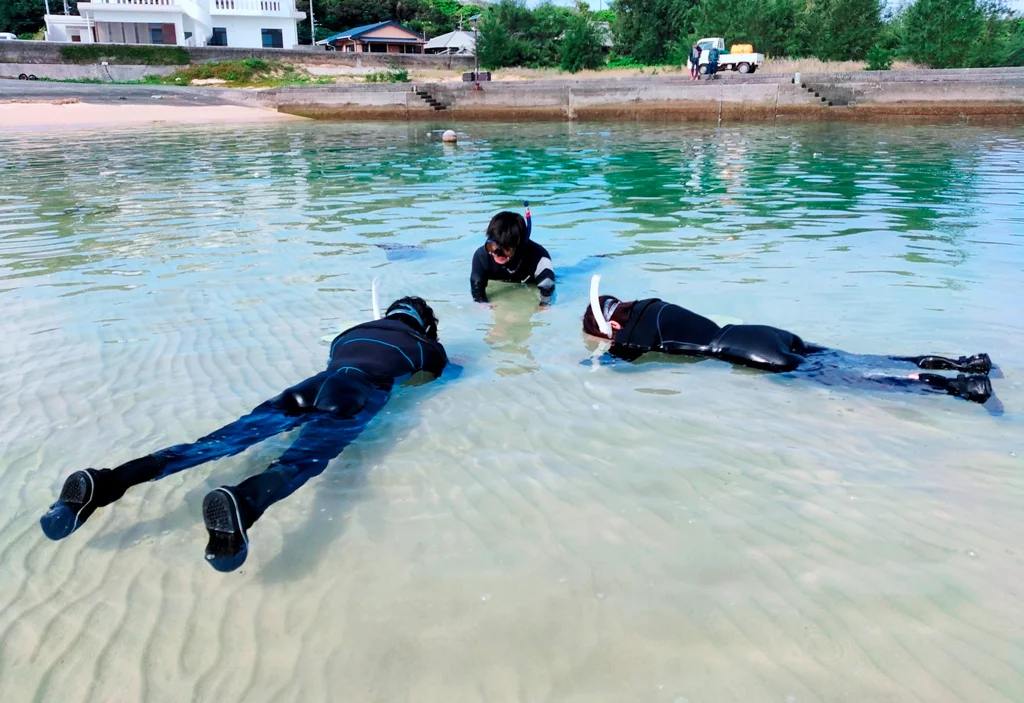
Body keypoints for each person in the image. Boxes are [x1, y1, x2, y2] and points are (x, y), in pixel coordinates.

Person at [40, 297, 453, 572]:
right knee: (301, 461)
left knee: (214, 443)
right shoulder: (424, 345)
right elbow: (433, 377)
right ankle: (242, 501)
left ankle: (106, 481)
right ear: (423, 324)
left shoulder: (349, 333)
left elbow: (338, 359)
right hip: (357, 393)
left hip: (307, 387)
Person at [581, 287, 995, 405]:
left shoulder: (629, 334)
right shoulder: (653, 303)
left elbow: (622, 359)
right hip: (766, 333)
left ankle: (955, 388)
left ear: (610, 325)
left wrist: (589, 362)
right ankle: (964, 363)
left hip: (751, 353)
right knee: (852, 360)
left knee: (850, 381)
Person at [471, 206, 555, 306]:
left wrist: (543, 307)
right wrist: (483, 306)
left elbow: (547, 290)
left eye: (506, 249)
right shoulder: (481, 257)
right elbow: (477, 292)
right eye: (493, 246)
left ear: (519, 246)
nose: (498, 254)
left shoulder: (539, 258)